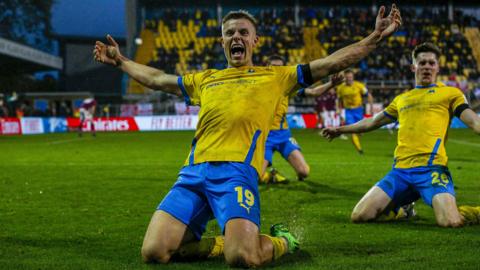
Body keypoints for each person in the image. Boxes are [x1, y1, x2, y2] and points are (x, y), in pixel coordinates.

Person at [94, 6, 402, 267]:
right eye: (230, 33)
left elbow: (332, 62)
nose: (236, 37)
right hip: (192, 174)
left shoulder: (276, 77)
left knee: (243, 257)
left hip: (236, 175)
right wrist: (122, 62)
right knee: (154, 252)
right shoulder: (206, 79)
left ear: (254, 40)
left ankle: (283, 240)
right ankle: (220, 243)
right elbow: (158, 79)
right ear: (222, 41)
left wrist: (374, 39)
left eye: (243, 32)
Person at [321, 42, 480, 227]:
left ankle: (476, 213)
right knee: (360, 215)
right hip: (400, 172)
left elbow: (473, 121)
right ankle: (403, 210)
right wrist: (339, 129)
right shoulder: (401, 99)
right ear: (414, 67)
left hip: (432, 169)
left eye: (431, 63)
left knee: (450, 222)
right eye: (422, 63)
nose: (427, 67)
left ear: (438, 67)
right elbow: (372, 122)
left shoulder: (450, 94)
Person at [261, 54, 344, 183]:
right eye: (273, 67)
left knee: (304, 172)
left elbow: (314, 92)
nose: (276, 70)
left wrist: (331, 84)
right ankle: (272, 176)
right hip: (264, 137)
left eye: (280, 67)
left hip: (284, 136)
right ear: (266, 67)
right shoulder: (258, 87)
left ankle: (281, 175)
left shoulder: (288, 87)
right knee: (255, 177)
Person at [336, 69, 373, 154]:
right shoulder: (340, 88)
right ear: (345, 78)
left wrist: (370, 108)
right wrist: (338, 109)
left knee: (360, 131)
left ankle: (358, 138)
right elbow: (338, 100)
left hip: (358, 110)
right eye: (347, 77)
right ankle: (359, 149)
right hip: (348, 111)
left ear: (353, 77)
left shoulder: (359, 85)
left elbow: (369, 95)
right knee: (352, 130)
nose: (349, 78)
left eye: (350, 77)